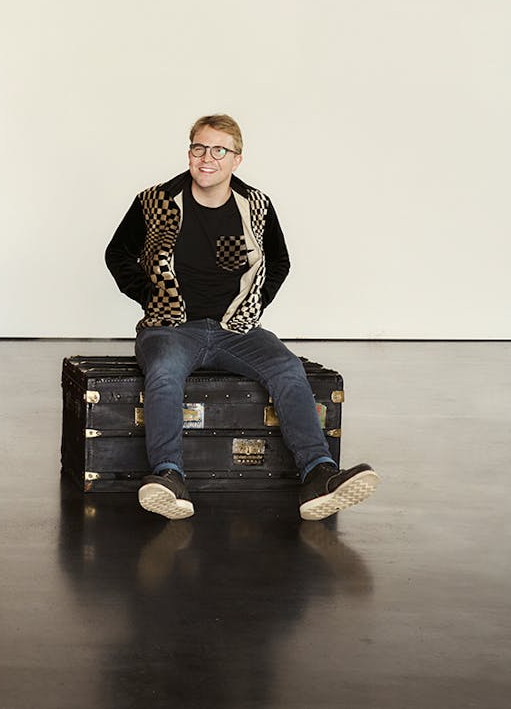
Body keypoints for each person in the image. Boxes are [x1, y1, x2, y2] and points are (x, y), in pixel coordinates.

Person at [104, 114, 380, 520]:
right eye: (200, 148)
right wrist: (150, 295)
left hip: (237, 329)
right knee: (164, 372)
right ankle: (169, 476)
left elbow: (280, 260)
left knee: (287, 367)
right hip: (172, 328)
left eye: (220, 150)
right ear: (189, 153)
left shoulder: (256, 206)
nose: (207, 158)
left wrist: (254, 304)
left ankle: (318, 473)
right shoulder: (155, 200)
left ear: (237, 159)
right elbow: (118, 254)